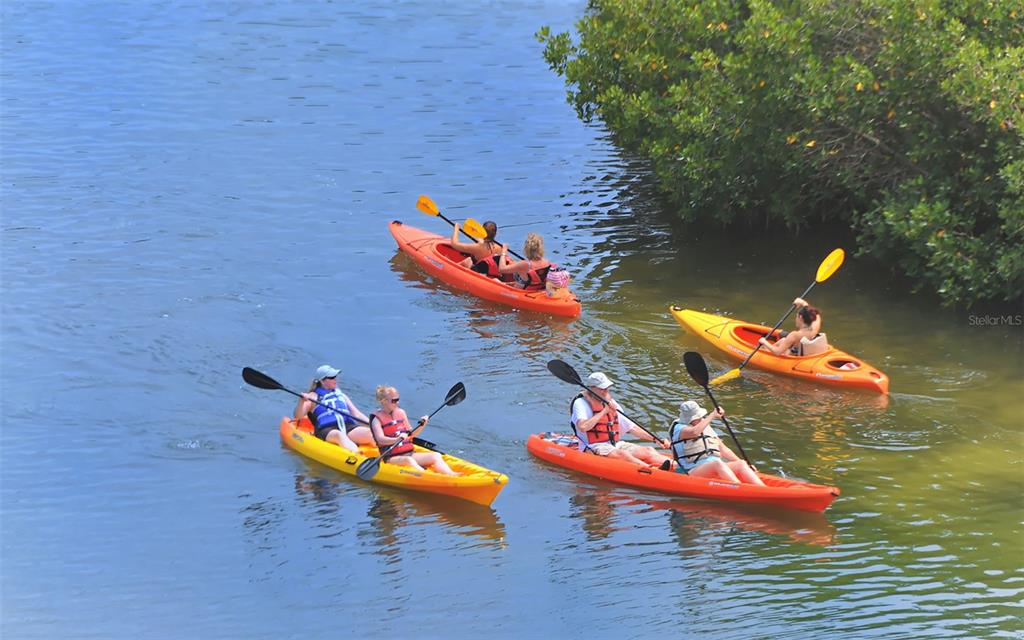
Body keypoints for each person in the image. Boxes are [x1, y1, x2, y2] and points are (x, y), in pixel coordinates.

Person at [570, 372, 674, 469]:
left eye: (607, 387)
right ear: (591, 388)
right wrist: (603, 412)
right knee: (623, 455)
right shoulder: (580, 403)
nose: (606, 391)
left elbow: (632, 428)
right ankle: (653, 471)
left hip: (614, 444)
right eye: (602, 388)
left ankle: (675, 466)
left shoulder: (610, 402)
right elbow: (583, 427)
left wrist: (656, 440)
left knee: (648, 450)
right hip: (592, 447)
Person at [369, 385, 459, 476]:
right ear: (383, 401)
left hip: (409, 453)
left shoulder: (401, 413)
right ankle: (426, 476)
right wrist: (396, 439)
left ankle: (452, 475)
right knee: (408, 460)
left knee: (436, 456)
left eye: (398, 399)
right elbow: (380, 439)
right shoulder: (376, 419)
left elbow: (411, 435)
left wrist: (422, 425)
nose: (397, 402)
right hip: (391, 457)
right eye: (394, 400)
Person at [668, 401, 764, 485]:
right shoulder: (679, 428)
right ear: (689, 419)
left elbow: (724, 450)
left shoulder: (705, 426)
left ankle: (763, 489)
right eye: (697, 418)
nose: (701, 419)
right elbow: (694, 432)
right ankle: (741, 489)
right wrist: (713, 414)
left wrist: (747, 465)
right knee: (717, 464)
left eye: (700, 417)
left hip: (714, 466)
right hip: (691, 471)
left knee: (741, 463)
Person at [294, 365, 371, 453]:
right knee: (339, 435)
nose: (335, 379)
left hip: (347, 427)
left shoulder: (341, 395)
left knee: (370, 433)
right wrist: (301, 401)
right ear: (322, 381)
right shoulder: (313, 396)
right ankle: (357, 456)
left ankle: (387, 459)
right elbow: (298, 416)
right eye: (332, 377)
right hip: (327, 429)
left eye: (335, 377)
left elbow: (356, 414)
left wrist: (374, 426)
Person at [757, 297, 826, 356]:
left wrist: (764, 341)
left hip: (793, 355)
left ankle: (763, 352)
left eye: (796, 316)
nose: (795, 319)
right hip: (802, 352)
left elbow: (777, 352)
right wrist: (803, 303)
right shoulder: (815, 328)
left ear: (800, 317)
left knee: (768, 343)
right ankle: (765, 351)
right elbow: (815, 314)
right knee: (783, 340)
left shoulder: (795, 335)